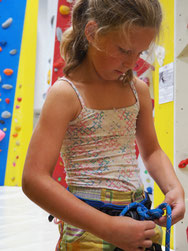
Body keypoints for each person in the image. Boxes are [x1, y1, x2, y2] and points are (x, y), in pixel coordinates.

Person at [22, 0, 185, 250]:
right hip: (88, 228)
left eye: (139, 53)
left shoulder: (137, 90)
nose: (132, 63)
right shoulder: (66, 94)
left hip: (137, 215)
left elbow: (151, 151)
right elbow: (34, 179)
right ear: (92, 33)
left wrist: (174, 188)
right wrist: (108, 228)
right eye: (124, 50)